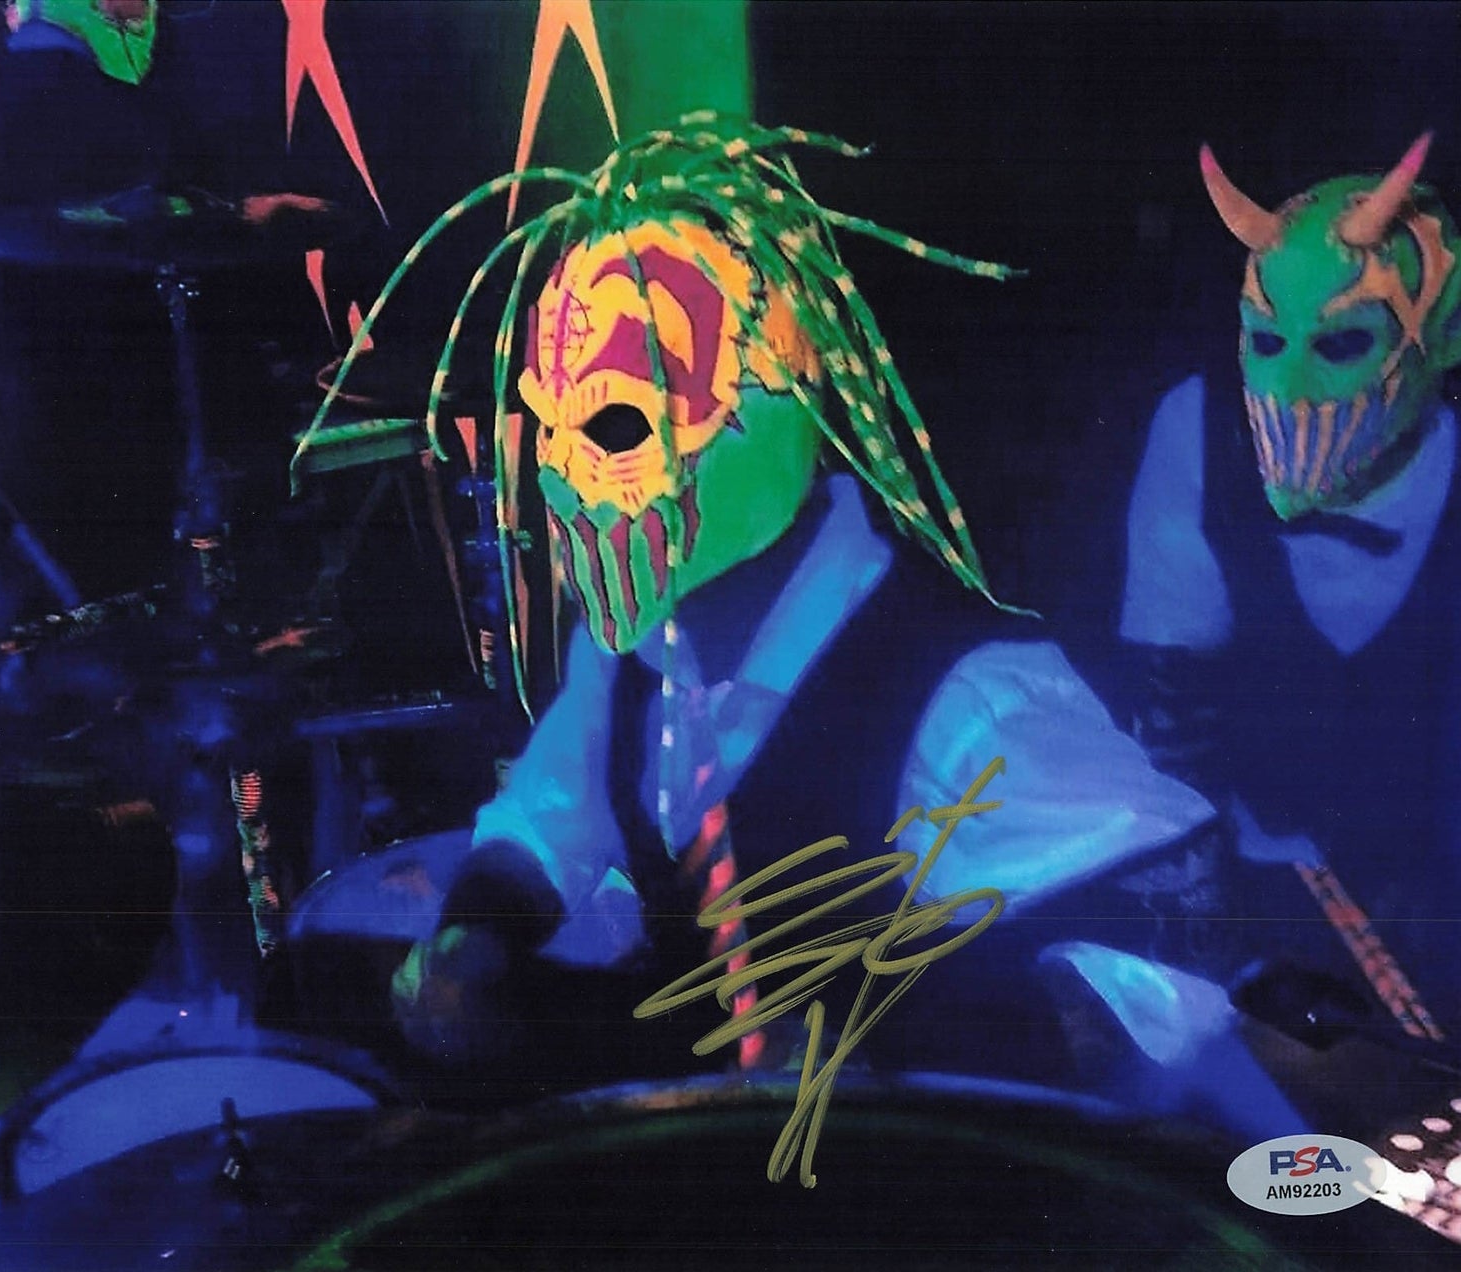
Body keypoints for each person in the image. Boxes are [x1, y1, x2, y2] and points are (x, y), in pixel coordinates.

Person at [347, 119, 1215, 1087]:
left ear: (765, 402)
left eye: (613, 421)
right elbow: (548, 818)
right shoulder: (634, 653)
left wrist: (897, 1053)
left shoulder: (963, 695)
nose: (558, 476)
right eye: (547, 426)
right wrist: (474, 936)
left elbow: (1159, 977)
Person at [1117, 134, 1461, 1072]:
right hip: (1253, 935)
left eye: (1342, 343)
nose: (1290, 390)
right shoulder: (1201, 431)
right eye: (1266, 342)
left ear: (1444, 340)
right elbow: (1169, 739)